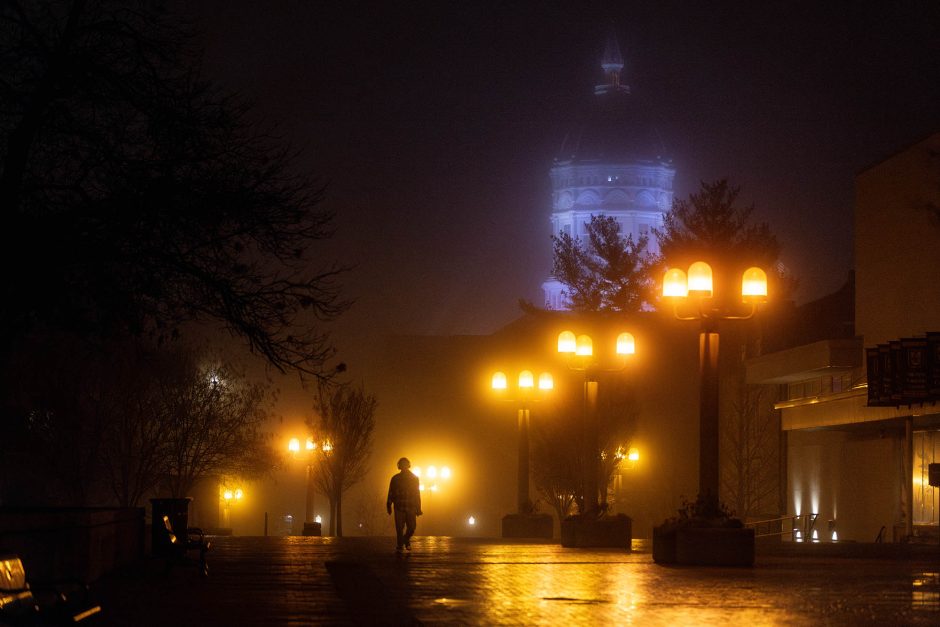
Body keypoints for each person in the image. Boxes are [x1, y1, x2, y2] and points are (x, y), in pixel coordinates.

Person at [386, 457, 422, 552]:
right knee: (399, 528)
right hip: (399, 506)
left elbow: (417, 493)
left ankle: (405, 540)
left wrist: (418, 507)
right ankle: (400, 545)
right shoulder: (395, 479)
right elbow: (391, 492)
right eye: (402, 464)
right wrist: (389, 504)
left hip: (411, 506)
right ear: (399, 466)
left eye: (405, 464)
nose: (403, 466)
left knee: (412, 527)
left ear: (408, 465)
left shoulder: (414, 478)